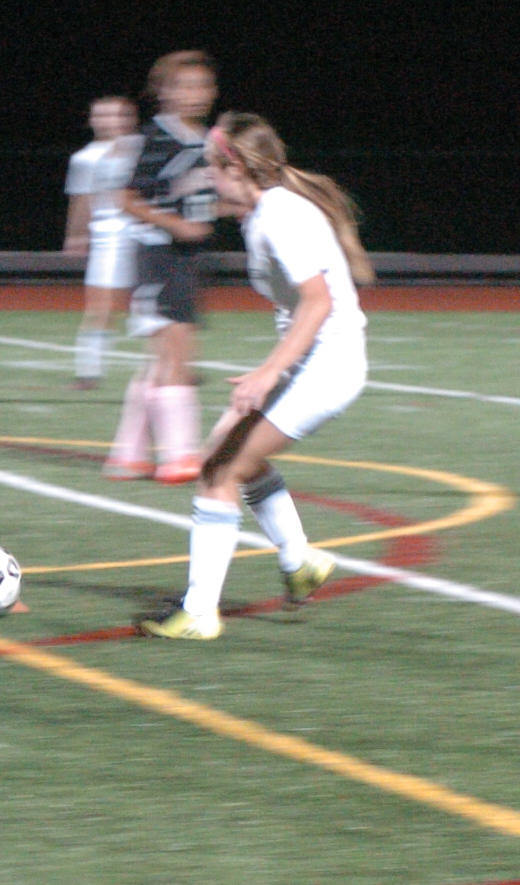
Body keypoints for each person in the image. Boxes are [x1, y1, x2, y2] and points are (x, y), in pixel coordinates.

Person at [141, 114, 372, 641]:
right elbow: (225, 204)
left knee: (219, 471)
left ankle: (200, 612)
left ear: (238, 168)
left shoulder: (280, 217)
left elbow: (318, 303)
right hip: (314, 361)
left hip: (328, 366)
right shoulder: (267, 209)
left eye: (212, 166)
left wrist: (268, 374)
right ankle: (300, 562)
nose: (208, 175)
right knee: (229, 451)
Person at [105, 51, 220, 483]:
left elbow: (201, 201)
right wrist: (175, 225)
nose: (195, 94)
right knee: (176, 352)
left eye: (202, 85)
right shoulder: (155, 138)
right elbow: (127, 198)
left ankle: (128, 455)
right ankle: (180, 455)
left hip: (187, 259)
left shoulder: (208, 141)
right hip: (157, 255)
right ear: (164, 93)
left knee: (163, 357)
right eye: (184, 86)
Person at [62, 94, 145, 388]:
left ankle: (171, 364)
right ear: (92, 121)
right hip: (108, 234)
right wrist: (76, 235)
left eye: (120, 115)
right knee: (101, 306)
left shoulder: (144, 147)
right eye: (104, 115)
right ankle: (89, 371)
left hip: (147, 231)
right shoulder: (86, 158)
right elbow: (81, 200)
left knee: (155, 303)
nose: (112, 121)